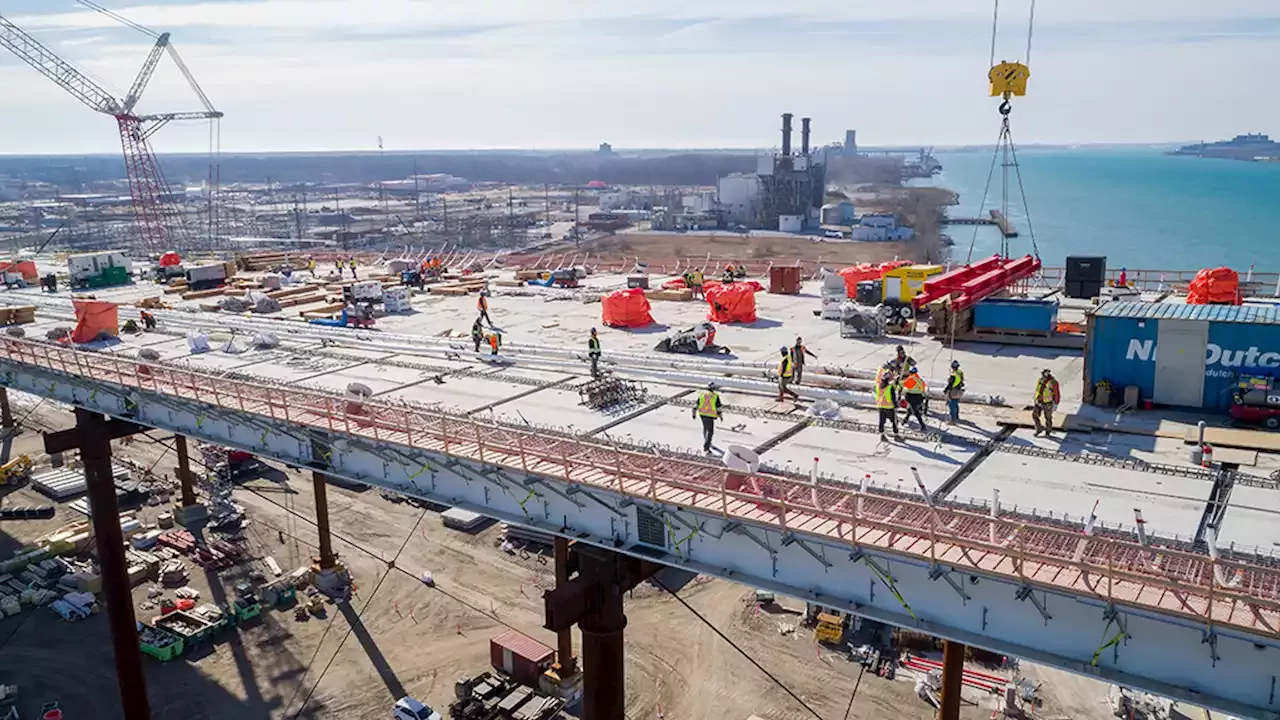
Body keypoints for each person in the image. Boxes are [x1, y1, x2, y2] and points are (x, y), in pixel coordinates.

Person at [694, 382, 722, 454]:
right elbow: (718, 408)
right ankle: (706, 447)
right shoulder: (715, 396)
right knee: (710, 431)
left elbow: (696, 405)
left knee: (705, 428)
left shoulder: (702, 394)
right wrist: (720, 416)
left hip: (702, 414)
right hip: (710, 415)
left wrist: (693, 414)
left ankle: (707, 442)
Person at [1032, 368, 1061, 437]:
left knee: (1048, 418)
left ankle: (1048, 431)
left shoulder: (1053, 382)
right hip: (1039, 401)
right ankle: (1039, 429)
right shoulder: (1040, 380)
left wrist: (1056, 403)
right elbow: (1038, 390)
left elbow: (1057, 393)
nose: (1043, 376)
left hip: (1048, 402)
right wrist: (1036, 398)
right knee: (1034, 415)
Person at [901, 366, 927, 430]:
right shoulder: (919, 379)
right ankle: (905, 420)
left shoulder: (911, 379)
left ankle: (922, 425)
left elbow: (903, 384)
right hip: (919, 397)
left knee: (915, 412)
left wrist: (899, 379)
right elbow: (923, 388)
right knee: (910, 409)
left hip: (912, 397)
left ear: (910, 372)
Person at [876, 375, 899, 441]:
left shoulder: (878, 386)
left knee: (881, 421)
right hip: (889, 406)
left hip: (880, 405)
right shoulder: (889, 387)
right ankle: (896, 434)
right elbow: (893, 398)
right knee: (894, 421)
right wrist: (896, 405)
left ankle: (882, 434)